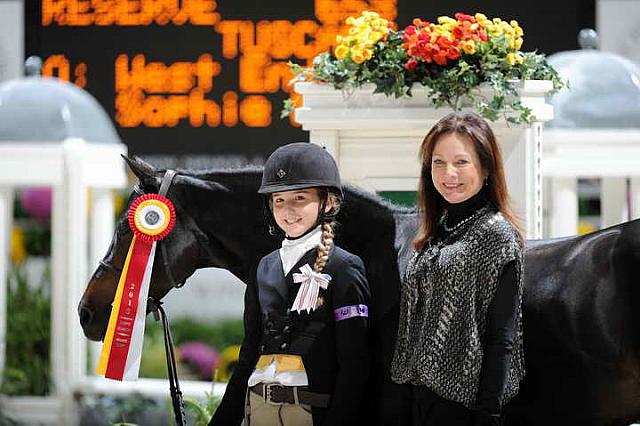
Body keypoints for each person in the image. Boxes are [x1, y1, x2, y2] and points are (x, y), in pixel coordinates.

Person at [210, 142, 371, 426]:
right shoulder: (264, 266)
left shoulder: (344, 267)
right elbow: (249, 352)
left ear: (328, 202)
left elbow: (355, 364)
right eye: (279, 200)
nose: (287, 210)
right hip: (259, 408)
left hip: (310, 412)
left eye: (300, 198)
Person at [390, 112, 526, 426]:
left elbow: (502, 336)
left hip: (464, 403)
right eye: (438, 162)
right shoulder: (437, 228)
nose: (448, 173)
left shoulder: (497, 235)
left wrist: (488, 413)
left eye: (461, 162)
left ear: (487, 167)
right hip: (420, 396)